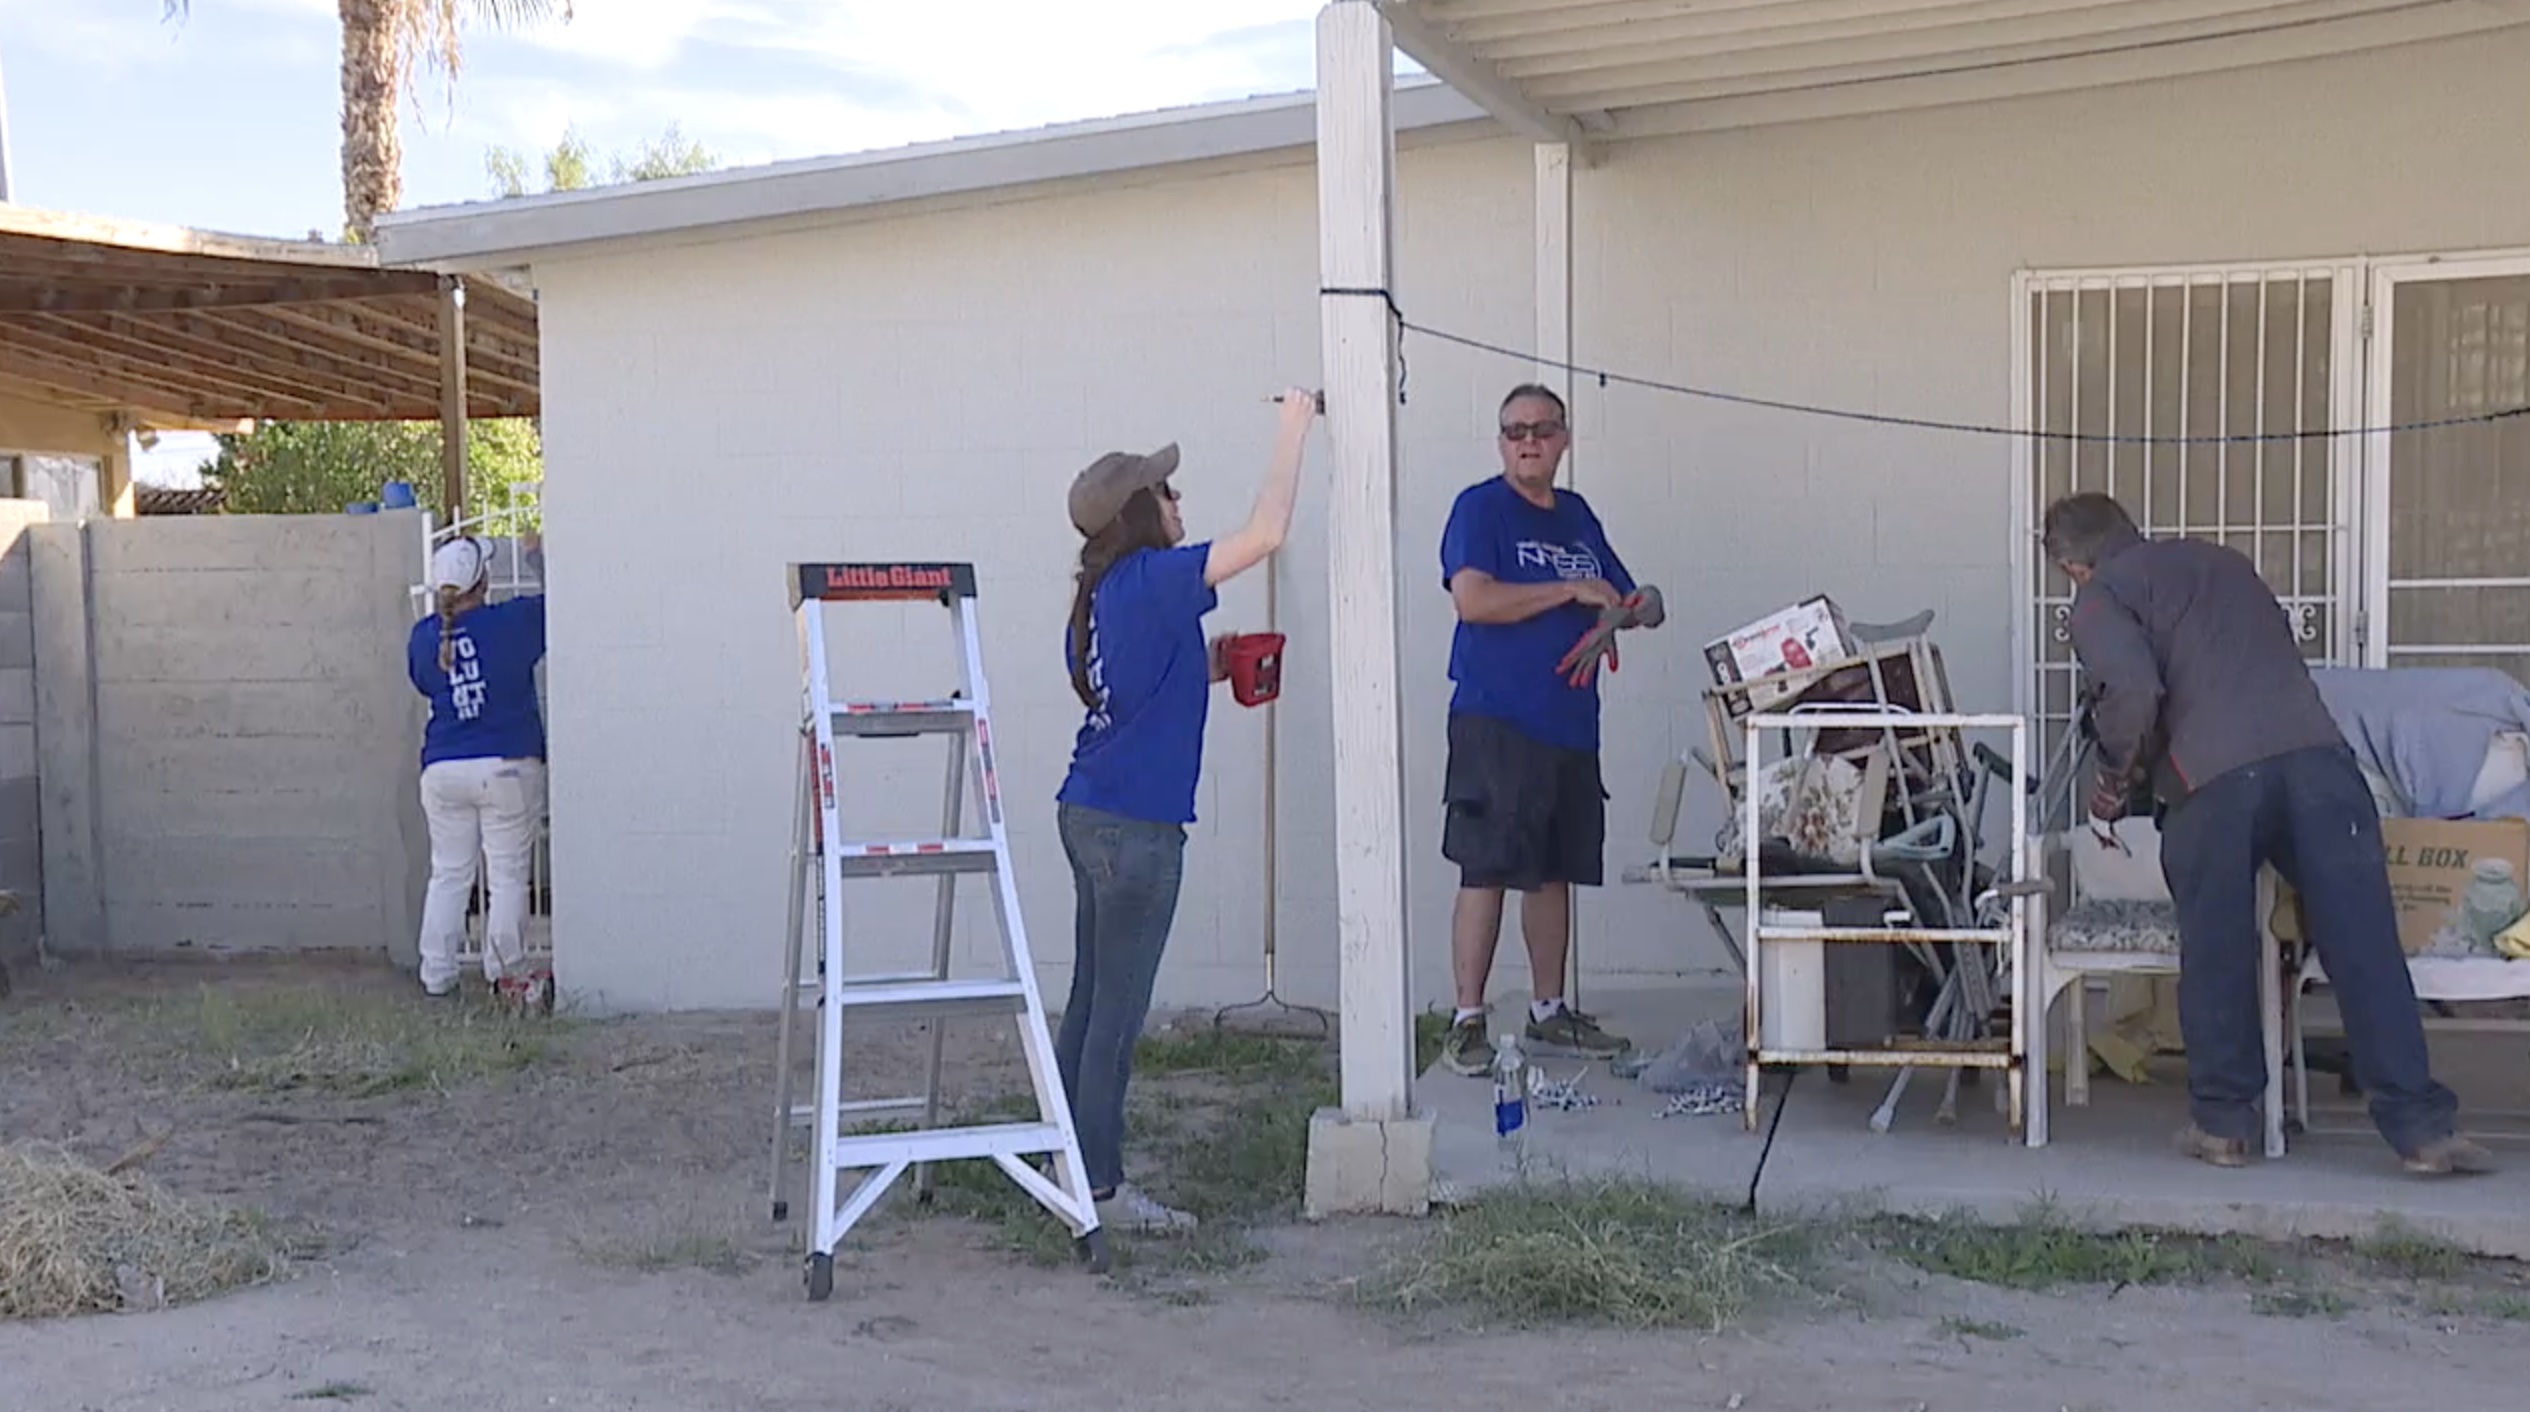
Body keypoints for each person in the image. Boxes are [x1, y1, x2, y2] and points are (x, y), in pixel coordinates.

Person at [2045, 491, 2492, 1175]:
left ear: (2073, 566)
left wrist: (2111, 785)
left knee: (2218, 946)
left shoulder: (2102, 595)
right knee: (2363, 942)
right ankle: (2423, 1130)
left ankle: (2225, 1125)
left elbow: (2132, 691)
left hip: (2213, 777)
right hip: (2318, 761)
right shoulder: (2222, 563)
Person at [1055, 389, 1318, 1232]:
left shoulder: (1099, 594)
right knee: (1117, 1020)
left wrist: (1214, 667)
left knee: (1091, 1002)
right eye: (1167, 493)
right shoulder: (1160, 576)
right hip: (1137, 831)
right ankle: (1099, 1193)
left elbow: (1135, 687)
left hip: (1089, 810)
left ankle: (1062, 1163)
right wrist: (1293, 426)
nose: (1179, 501)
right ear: (1142, 511)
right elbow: (1267, 533)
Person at [1436, 383, 1663, 1077]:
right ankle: (1467, 1020)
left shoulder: (1577, 517)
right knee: (1488, 866)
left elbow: (1630, 599)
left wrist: (1637, 607)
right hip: (1498, 719)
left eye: (1540, 429)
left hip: (1569, 724)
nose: (1527, 440)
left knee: (1552, 871)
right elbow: (1473, 600)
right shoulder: (1482, 509)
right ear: (1500, 442)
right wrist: (1566, 592)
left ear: (1564, 438)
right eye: (1513, 431)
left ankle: (1548, 1011)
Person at [407, 532, 551, 1009]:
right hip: (507, 762)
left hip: (444, 767)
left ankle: (437, 975)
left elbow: (425, 684)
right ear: (482, 581)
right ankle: (505, 973)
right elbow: (565, 601)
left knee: (448, 874)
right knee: (507, 876)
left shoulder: (423, 637)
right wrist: (536, 557)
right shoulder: (512, 622)